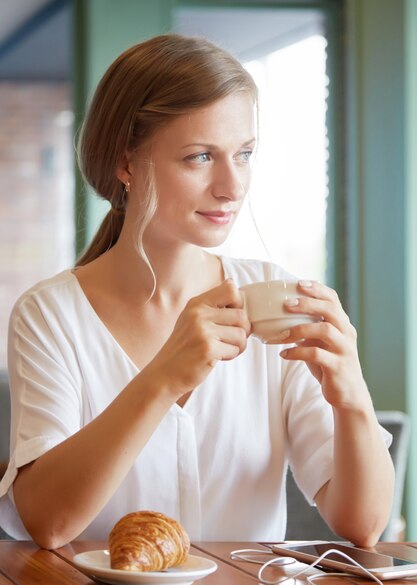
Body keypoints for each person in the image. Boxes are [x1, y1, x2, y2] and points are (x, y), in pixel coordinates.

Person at [0, 34, 393, 550]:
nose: (232, 186)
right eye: (200, 157)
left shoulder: (273, 299)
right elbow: (47, 523)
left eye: (244, 153)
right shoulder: (51, 315)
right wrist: (164, 376)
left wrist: (352, 398)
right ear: (125, 164)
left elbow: (363, 525)